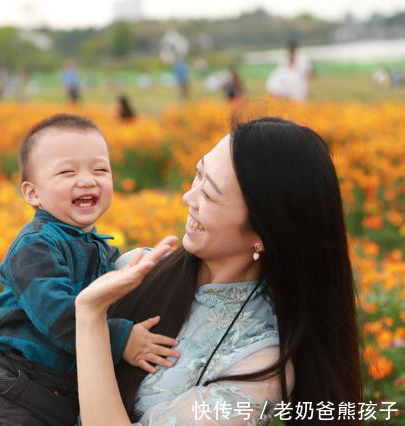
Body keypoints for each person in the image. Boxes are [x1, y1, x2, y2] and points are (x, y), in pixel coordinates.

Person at [74, 117, 362, 425]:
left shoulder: (258, 366)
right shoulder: (134, 269)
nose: (188, 197)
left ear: (262, 234)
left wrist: (91, 316)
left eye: (209, 194)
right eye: (198, 174)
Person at [0, 114, 179, 426]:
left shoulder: (96, 246)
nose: (88, 180)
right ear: (32, 193)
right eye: (68, 172)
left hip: (59, 391)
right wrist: (123, 339)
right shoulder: (35, 246)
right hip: (13, 386)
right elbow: (59, 316)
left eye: (100, 170)